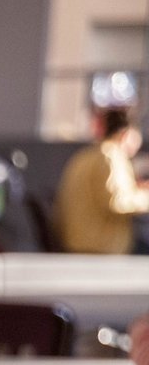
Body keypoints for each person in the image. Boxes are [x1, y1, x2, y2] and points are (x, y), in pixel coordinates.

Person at [53, 107, 149, 256]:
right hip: (102, 247)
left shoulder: (85, 156)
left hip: (78, 242)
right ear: (126, 134)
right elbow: (117, 202)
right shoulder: (111, 156)